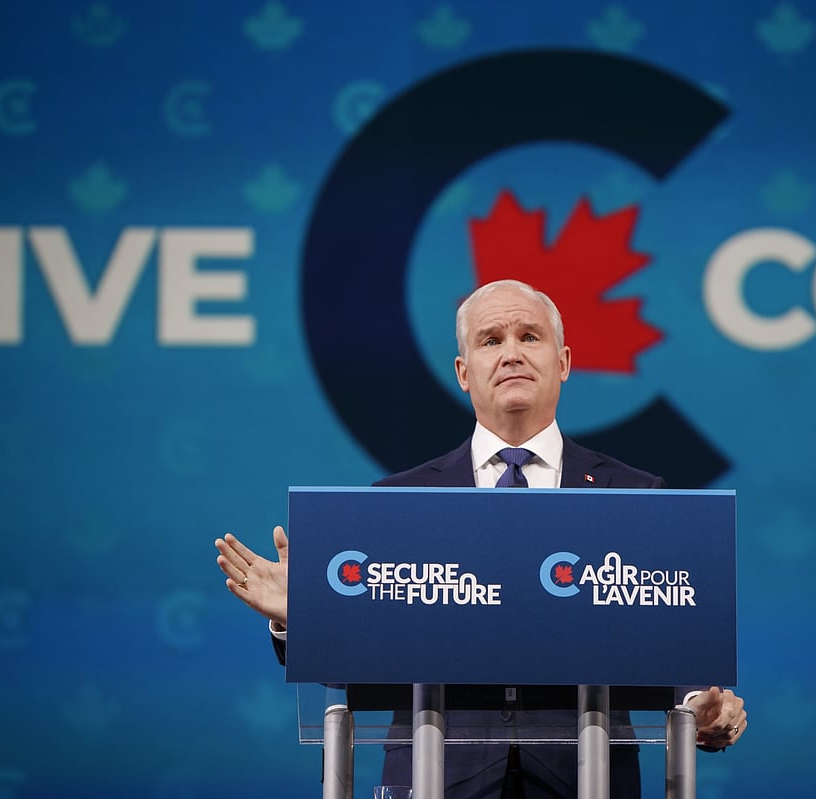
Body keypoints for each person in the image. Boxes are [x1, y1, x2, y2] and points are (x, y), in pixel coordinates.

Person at [216, 279, 747, 797]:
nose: (512, 353)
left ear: (563, 361)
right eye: (491, 340)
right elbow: (358, 662)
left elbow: (665, 629)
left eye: (529, 336)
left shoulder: (634, 494)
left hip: (587, 776)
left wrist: (699, 705)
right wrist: (305, 617)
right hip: (437, 775)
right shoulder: (397, 502)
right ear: (464, 373)